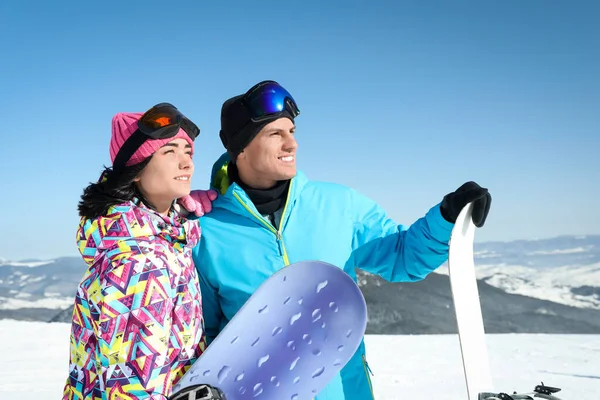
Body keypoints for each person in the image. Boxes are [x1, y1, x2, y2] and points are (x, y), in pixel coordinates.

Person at [185, 80, 492, 400]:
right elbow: (202, 338)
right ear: (240, 148)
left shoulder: (340, 205)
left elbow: (404, 259)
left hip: (345, 391)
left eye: (292, 131)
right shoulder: (207, 233)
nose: (292, 144)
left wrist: (445, 218)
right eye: (275, 134)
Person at [62, 103, 217, 400]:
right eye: (169, 152)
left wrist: (180, 218)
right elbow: (132, 387)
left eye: (188, 152)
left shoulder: (157, 242)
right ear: (136, 170)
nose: (187, 163)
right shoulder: (140, 262)